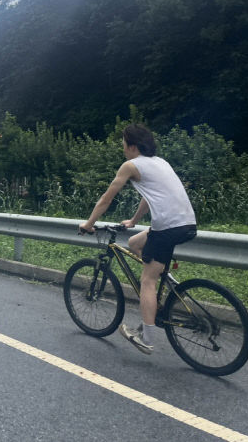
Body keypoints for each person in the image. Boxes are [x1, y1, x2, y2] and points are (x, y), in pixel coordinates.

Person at [78, 124, 197, 355]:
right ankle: (163, 278)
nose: (122, 148)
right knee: (134, 243)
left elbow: (106, 199)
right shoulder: (160, 162)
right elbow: (151, 196)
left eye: (123, 143)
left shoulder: (131, 165)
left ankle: (146, 336)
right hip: (187, 224)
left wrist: (89, 224)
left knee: (147, 281)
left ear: (131, 145)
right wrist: (133, 221)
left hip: (167, 228)